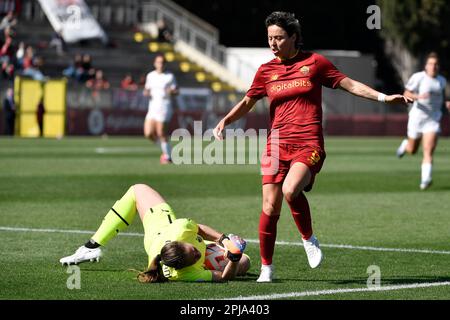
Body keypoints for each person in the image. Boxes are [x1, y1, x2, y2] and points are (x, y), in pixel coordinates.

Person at [213, 11, 411, 283]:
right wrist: (226, 119)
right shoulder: (266, 71)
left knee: (291, 189)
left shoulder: (315, 63)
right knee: (270, 207)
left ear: (294, 37)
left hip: (308, 142)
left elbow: (348, 84)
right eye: (270, 38)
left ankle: (308, 238)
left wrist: (383, 97)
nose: (273, 43)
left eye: (279, 37)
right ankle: (267, 267)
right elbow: (248, 101)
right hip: (275, 145)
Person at [59, 184, 250, 283]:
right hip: (158, 238)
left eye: (194, 250)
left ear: (183, 242)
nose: (197, 251)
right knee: (245, 261)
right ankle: (90, 248)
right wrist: (233, 258)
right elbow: (224, 278)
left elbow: (199, 229)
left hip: (157, 226)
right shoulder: (181, 273)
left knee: (138, 189)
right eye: (196, 254)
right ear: (185, 266)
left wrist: (223, 239)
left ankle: (91, 246)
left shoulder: (181, 229)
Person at [396, 52, 450, 190]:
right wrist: (418, 96)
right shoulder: (418, 77)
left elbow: (442, 98)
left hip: (433, 120)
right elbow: (406, 94)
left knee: (428, 150)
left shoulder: (442, 81)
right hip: (417, 118)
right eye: (431, 64)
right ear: (426, 66)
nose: (433, 66)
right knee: (412, 150)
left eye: (436, 64)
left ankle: (425, 180)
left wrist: (447, 103)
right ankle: (405, 144)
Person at [143, 54, 178, 164]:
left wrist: (172, 91)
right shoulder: (150, 76)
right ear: (155, 63)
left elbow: (176, 91)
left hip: (164, 106)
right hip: (152, 106)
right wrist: (146, 92)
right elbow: (146, 89)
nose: (160, 64)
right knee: (148, 133)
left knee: (161, 132)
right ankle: (167, 150)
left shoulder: (169, 76)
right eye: (158, 62)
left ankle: (168, 157)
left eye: (162, 62)